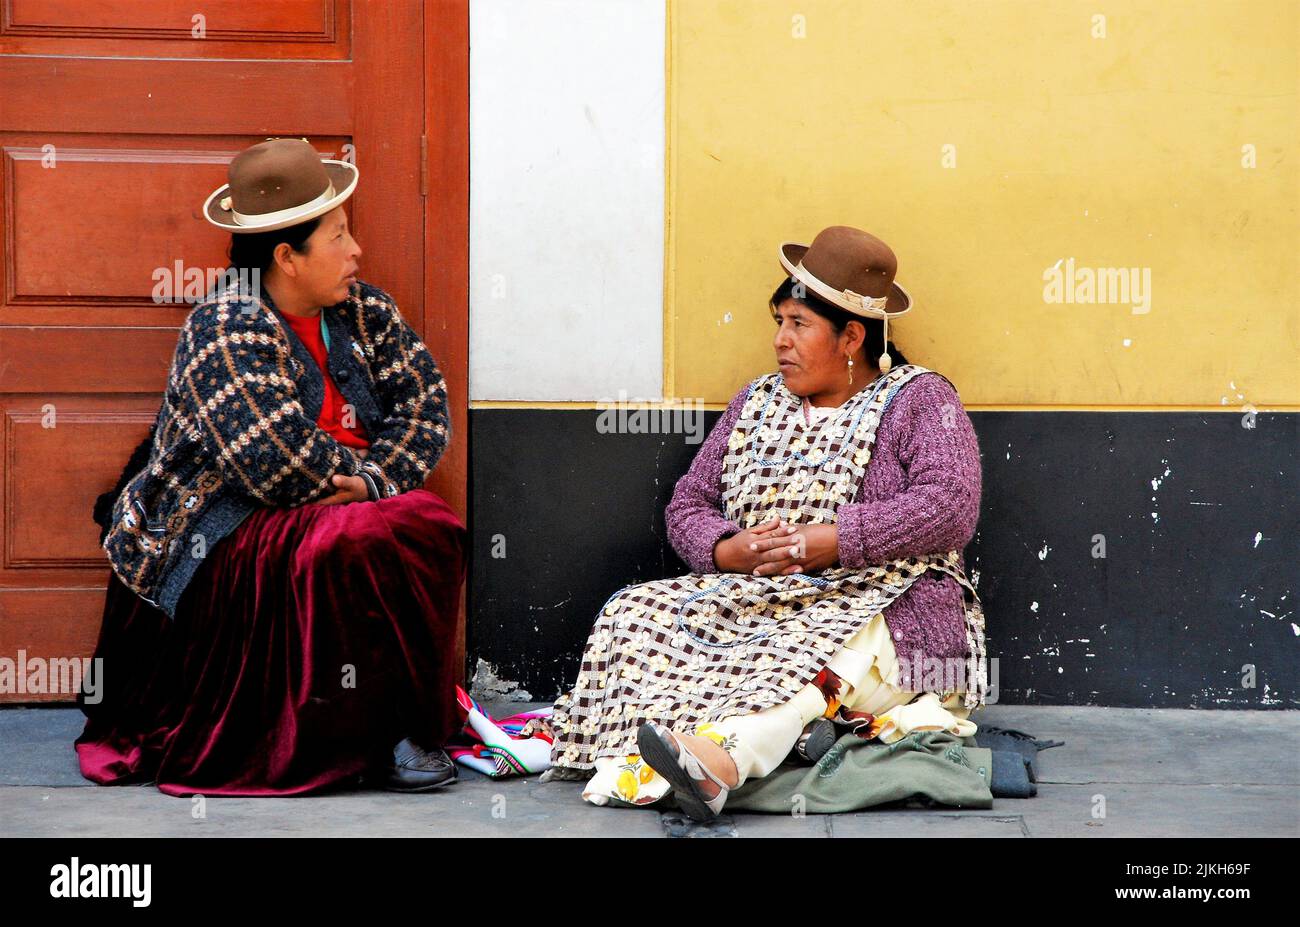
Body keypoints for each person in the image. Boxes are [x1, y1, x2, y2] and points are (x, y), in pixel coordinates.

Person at [546, 225, 988, 819]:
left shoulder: (921, 400)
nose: (780, 340)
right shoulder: (756, 401)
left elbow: (950, 507)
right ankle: (668, 748)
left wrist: (832, 542)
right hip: (763, 597)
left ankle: (722, 761)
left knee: (831, 648)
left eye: (798, 325)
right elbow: (688, 505)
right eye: (779, 321)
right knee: (633, 611)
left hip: (889, 603)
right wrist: (729, 550)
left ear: (851, 337)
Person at [79, 138, 466, 796]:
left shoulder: (365, 313)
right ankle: (368, 740)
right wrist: (364, 482)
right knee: (361, 537)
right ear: (287, 256)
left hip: (339, 514)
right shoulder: (225, 327)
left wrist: (371, 482)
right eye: (339, 236)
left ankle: (400, 723)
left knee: (429, 522)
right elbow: (276, 464)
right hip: (222, 542)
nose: (356, 252)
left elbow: (427, 410)